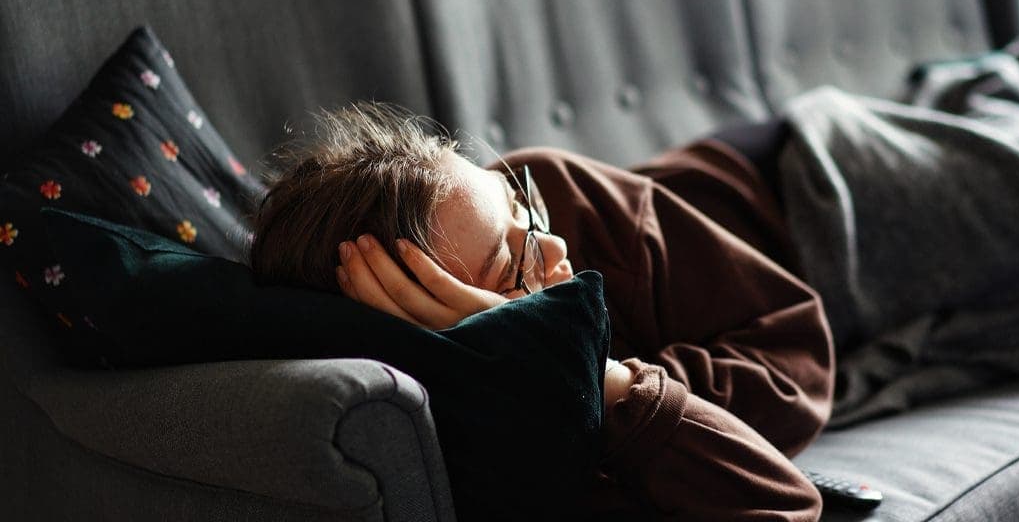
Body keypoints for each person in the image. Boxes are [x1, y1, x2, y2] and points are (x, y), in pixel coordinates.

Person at [249, 102, 834, 521]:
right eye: (511, 268)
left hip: (805, 177)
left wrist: (606, 379)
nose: (554, 249)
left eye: (518, 206)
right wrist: (592, 378)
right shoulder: (494, 435)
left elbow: (798, 356)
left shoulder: (556, 191)